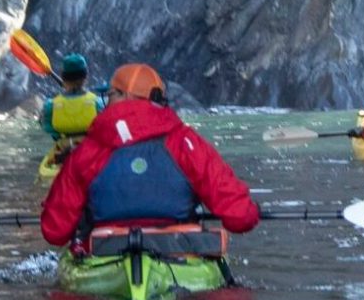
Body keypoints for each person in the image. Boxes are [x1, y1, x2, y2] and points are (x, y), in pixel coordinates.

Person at [41, 63, 259, 249]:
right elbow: (240, 217)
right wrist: (252, 211)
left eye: (110, 95)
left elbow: (55, 231)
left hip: (106, 251)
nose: (107, 103)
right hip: (178, 251)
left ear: (125, 96)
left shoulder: (87, 152)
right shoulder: (186, 143)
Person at [40, 53, 104, 143]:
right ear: (86, 76)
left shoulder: (50, 106)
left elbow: (45, 126)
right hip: (89, 148)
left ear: (63, 77)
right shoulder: (98, 103)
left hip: (62, 149)